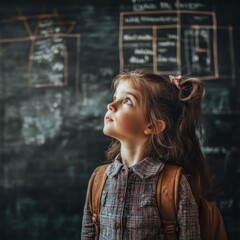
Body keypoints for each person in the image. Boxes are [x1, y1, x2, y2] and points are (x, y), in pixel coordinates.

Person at [81, 69, 213, 239]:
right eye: (115, 98)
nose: (111, 105)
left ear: (152, 126)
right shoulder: (99, 179)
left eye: (127, 101)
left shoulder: (174, 184)